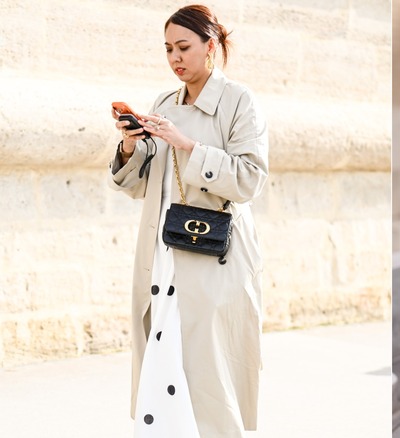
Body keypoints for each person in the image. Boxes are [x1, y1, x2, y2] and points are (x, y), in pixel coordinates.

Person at [109, 5, 269, 437]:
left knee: (208, 372)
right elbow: (145, 183)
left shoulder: (239, 101)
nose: (175, 58)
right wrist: (129, 146)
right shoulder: (164, 102)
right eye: (168, 49)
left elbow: (251, 179)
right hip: (164, 252)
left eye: (184, 47)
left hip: (214, 257)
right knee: (164, 366)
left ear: (210, 47)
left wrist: (188, 145)